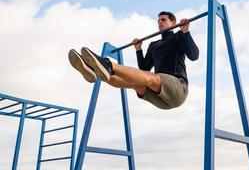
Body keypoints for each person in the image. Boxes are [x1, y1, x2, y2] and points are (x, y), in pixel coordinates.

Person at [68, 11, 199, 109]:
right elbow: (143, 69)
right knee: (134, 83)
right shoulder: (154, 45)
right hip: (161, 98)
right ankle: (95, 72)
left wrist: (186, 31)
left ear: (173, 23)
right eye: (158, 21)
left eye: (163, 20)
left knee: (151, 78)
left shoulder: (178, 36)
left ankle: (107, 64)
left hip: (178, 88)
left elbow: (194, 56)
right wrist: (138, 49)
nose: (160, 22)